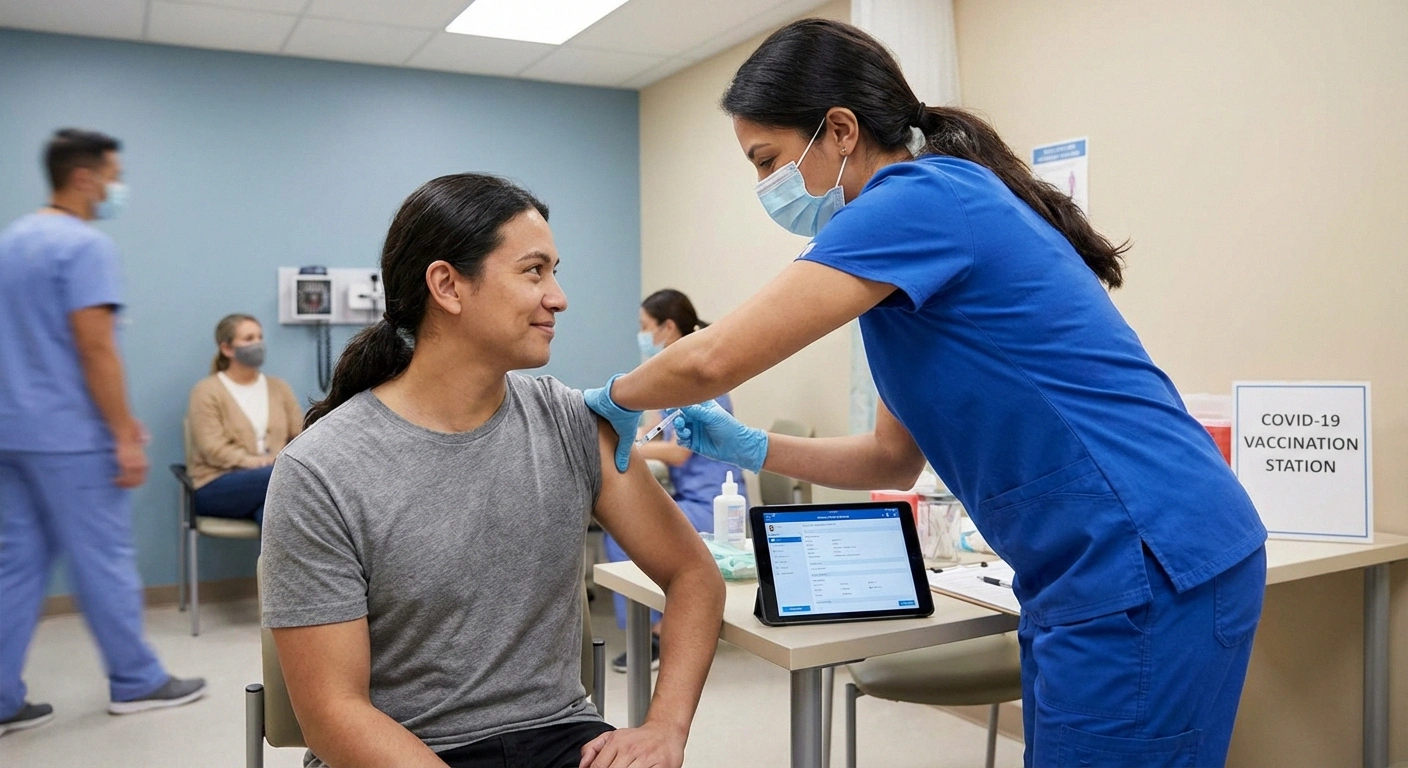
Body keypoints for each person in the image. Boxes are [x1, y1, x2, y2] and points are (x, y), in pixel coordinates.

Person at [583, 19, 1267, 768]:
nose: (764, 188)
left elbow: (710, 359)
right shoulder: (901, 259)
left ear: (839, 129)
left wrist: (605, 397)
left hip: (1145, 551)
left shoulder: (918, 200)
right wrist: (751, 447)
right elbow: (889, 460)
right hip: (1090, 566)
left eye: (768, 160)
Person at [260, 173, 724, 768]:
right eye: (534, 271)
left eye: (555, 271)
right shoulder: (321, 470)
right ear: (447, 286)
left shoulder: (569, 423)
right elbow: (332, 712)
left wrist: (666, 729)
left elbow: (692, 575)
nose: (558, 297)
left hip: (560, 740)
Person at [0, 129, 206, 736]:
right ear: (85, 177)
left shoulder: (11, 242)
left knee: (14, 564)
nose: (118, 187)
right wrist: (121, 431)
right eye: (113, 174)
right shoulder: (82, 245)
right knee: (106, 559)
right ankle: (137, 681)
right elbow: (95, 348)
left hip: (10, 431)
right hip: (70, 433)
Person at [603, 289, 748, 673]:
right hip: (693, 495)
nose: (642, 335)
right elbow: (658, 426)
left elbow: (680, 450)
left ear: (667, 328)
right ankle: (654, 627)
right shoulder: (677, 374)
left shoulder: (699, 378)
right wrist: (627, 431)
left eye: (645, 328)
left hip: (712, 505)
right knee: (622, 527)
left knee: (625, 532)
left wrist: (631, 446)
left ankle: (658, 634)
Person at [185, 313, 303, 524]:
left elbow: (302, 435)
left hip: (269, 483)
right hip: (216, 484)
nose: (257, 344)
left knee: (273, 514)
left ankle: (274, 558)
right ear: (227, 348)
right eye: (249, 339)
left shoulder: (279, 388)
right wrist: (258, 462)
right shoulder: (206, 391)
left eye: (260, 337)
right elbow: (212, 448)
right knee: (282, 478)